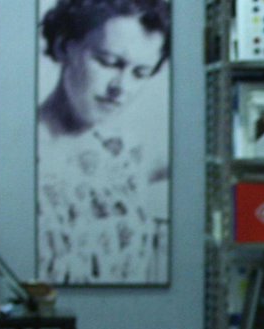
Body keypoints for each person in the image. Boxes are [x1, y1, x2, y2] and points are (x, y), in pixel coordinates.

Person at [36, 0, 171, 284]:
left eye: (140, 73)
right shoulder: (14, 153)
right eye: (108, 62)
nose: (120, 88)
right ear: (63, 46)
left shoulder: (133, 151)